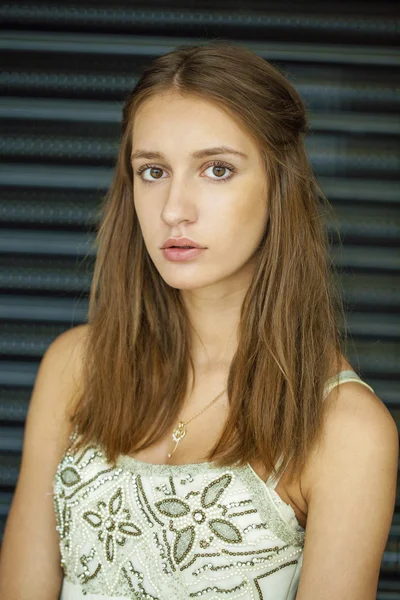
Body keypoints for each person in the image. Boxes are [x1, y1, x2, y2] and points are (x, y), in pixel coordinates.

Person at [0, 41, 397, 600]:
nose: (173, 209)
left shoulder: (345, 427)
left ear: (279, 188)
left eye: (216, 169)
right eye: (153, 170)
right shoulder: (75, 365)